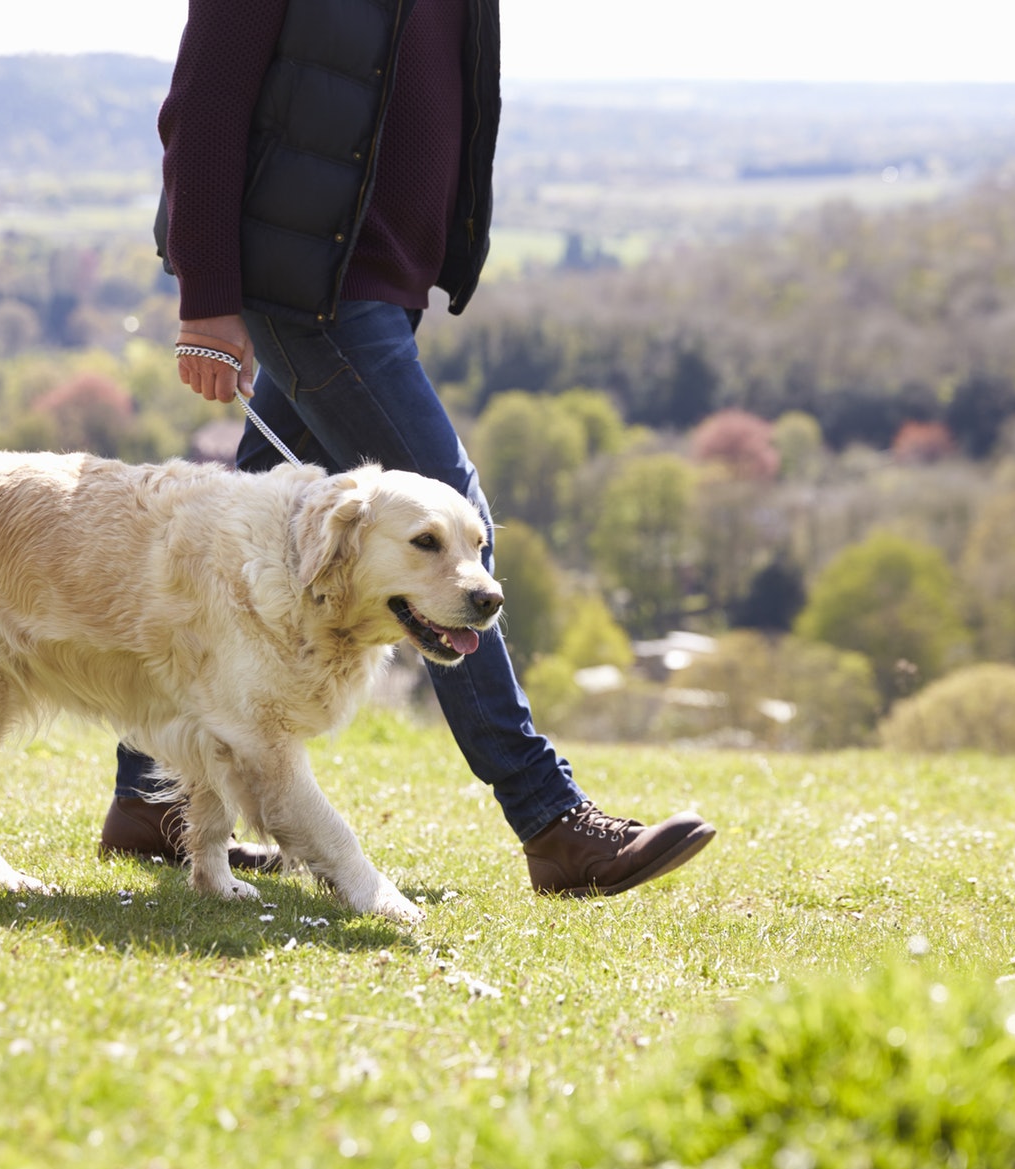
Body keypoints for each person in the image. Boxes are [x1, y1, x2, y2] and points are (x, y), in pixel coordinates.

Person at [99, 0, 715, 897]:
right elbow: (205, 102)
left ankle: (152, 803)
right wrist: (207, 296)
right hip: (312, 285)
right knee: (450, 521)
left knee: (238, 550)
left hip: (372, 283)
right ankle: (552, 822)